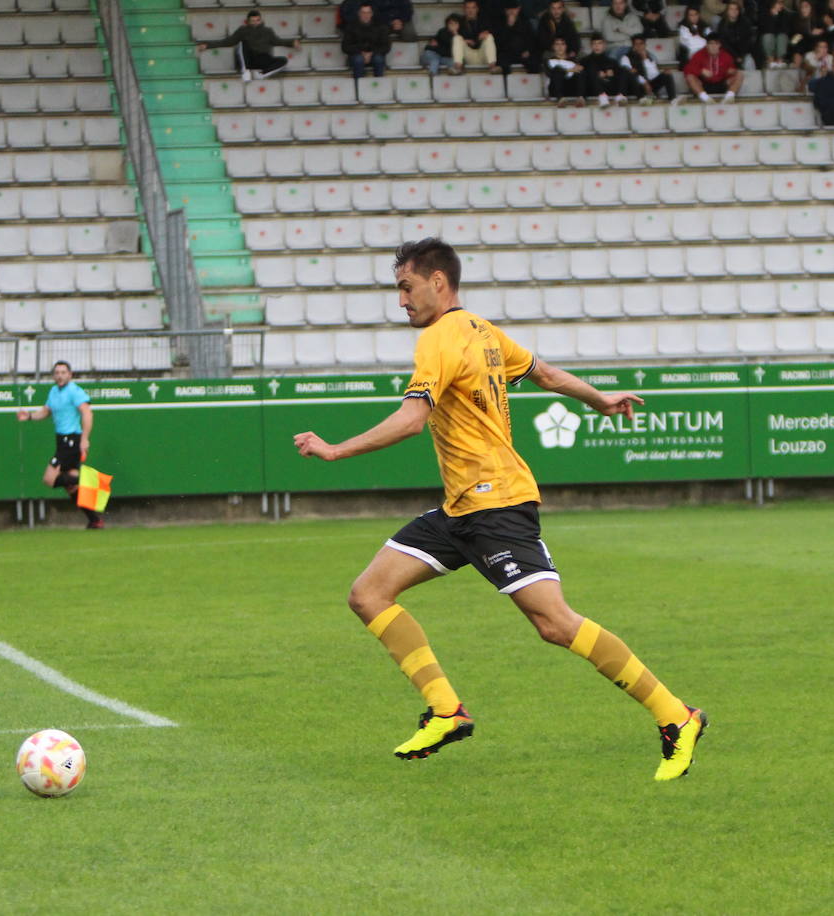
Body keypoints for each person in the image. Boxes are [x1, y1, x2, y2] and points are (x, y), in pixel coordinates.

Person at [293, 238, 707, 780]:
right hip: (460, 508)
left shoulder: (439, 338)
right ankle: (446, 710)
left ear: (438, 281)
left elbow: (412, 420)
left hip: (497, 505)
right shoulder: (483, 332)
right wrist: (599, 399)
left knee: (555, 623)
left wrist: (335, 450)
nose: (401, 301)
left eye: (406, 287)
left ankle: (676, 715)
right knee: (368, 594)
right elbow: (546, 375)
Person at [18, 360, 104, 529]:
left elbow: (87, 413)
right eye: (57, 373)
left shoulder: (74, 391)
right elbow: (46, 411)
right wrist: (29, 416)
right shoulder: (54, 391)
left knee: (49, 479)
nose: (60, 376)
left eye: (63, 372)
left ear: (70, 375)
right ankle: (95, 520)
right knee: (71, 487)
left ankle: (92, 482)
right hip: (61, 441)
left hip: (71, 440)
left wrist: (85, 439)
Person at [195, 9, 299, 82]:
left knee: (283, 60)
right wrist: (207, 45)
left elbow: (277, 41)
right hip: (249, 58)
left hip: (263, 59)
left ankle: (262, 74)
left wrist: (292, 43)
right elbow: (228, 42)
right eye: (252, 21)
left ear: (261, 20)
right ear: (248, 21)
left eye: (257, 20)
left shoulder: (268, 31)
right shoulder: (243, 30)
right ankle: (245, 72)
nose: (255, 23)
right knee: (242, 43)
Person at [581, 32, 636, 105]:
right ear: (591, 46)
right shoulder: (585, 61)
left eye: (599, 43)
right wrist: (597, 75)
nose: (597, 46)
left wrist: (610, 75)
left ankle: (621, 96)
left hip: (610, 88)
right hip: (593, 89)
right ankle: (602, 96)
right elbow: (583, 77)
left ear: (604, 45)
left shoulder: (611, 61)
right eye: (594, 44)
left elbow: (619, 76)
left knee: (624, 70)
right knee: (591, 70)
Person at [683, 35, 742, 102]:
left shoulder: (726, 56)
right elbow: (687, 69)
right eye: (711, 43)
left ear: (720, 45)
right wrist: (701, 71)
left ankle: (729, 97)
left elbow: (732, 70)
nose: (714, 46)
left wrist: (731, 71)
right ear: (707, 45)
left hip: (721, 84)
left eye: (716, 44)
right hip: (704, 85)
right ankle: (705, 98)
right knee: (690, 77)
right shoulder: (699, 55)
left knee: (739, 74)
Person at [342, 2, 393, 79]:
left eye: (368, 13)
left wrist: (371, 53)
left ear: (372, 14)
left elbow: (386, 46)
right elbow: (345, 47)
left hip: (375, 54)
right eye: (363, 13)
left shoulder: (380, 26)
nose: (366, 15)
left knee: (378, 60)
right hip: (356, 54)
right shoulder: (351, 27)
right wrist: (361, 52)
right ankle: (358, 85)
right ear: (359, 13)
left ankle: (379, 84)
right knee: (358, 60)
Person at [627, 34, 679, 101]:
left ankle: (673, 99)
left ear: (645, 45)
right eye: (636, 44)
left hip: (651, 84)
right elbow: (631, 73)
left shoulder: (650, 56)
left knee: (667, 74)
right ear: (633, 46)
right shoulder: (627, 57)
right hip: (638, 86)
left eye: (641, 44)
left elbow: (654, 73)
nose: (639, 46)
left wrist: (645, 59)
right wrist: (644, 82)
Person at [495, 2, 541, 74]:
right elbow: (499, 42)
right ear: (505, 11)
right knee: (502, 61)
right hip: (507, 54)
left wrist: (528, 51)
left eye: (514, 9)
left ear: (518, 9)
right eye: (509, 10)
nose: (512, 12)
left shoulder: (525, 22)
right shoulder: (500, 23)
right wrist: (509, 26)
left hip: (523, 53)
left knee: (534, 62)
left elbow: (532, 40)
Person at [455, 0, 500, 70]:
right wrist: (464, 40)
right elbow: (447, 36)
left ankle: (492, 67)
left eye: (473, 8)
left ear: (477, 9)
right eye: (468, 8)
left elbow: (496, 34)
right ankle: (458, 68)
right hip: (468, 55)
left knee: (489, 37)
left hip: (483, 55)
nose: (470, 10)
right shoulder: (459, 21)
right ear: (464, 9)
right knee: (457, 38)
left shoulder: (484, 20)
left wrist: (485, 34)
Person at [544, 36, 587, 104]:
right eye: (557, 44)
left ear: (566, 46)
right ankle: (560, 99)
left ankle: (581, 97)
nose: (560, 47)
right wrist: (568, 70)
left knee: (580, 72)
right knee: (557, 70)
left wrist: (580, 68)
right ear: (553, 46)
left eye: (562, 44)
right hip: (555, 89)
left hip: (570, 88)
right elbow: (549, 73)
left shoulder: (573, 60)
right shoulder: (549, 61)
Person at [713, 1, 756, 68]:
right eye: (731, 9)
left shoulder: (745, 23)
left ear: (739, 11)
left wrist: (741, 56)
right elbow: (724, 43)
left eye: (736, 9)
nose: (734, 11)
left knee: (749, 62)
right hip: (728, 53)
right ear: (727, 11)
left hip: (743, 53)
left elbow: (747, 41)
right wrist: (736, 56)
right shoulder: (722, 25)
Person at [759, 0, 794, 67]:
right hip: (767, 38)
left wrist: (777, 16)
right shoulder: (764, 12)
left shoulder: (785, 14)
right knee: (768, 36)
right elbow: (765, 29)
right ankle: (770, 61)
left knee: (782, 37)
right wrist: (773, 16)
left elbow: (784, 30)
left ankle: (779, 61)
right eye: (779, 3)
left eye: (782, 3)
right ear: (773, 3)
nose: (781, 5)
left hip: (780, 37)